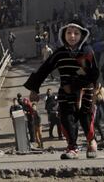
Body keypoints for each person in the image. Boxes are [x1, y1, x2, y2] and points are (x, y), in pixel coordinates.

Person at [24, 19, 99, 159]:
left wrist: (77, 83)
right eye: (69, 33)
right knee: (66, 118)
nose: (72, 36)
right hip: (66, 93)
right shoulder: (59, 53)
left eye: (76, 33)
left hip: (85, 92)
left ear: (82, 35)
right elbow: (44, 69)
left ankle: (91, 140)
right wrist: (34, 88)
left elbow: (93, 72)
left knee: (85, 118)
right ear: (63, 34)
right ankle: (72, 147)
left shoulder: (87, 51)